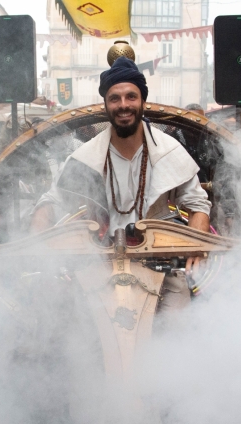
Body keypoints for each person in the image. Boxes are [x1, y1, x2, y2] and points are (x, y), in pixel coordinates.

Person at [30, 56, 211, 310]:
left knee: (176, 331)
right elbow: (52, 201)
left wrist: (196, 247)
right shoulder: (85, 157)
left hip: (161, 264)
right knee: (78, 332)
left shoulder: (170, 151)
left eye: (131, 97)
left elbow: (198, 205)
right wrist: (38, 241)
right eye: (115, 98)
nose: (123, 105)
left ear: (142, 102)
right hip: (100, 262)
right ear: (105, 105)